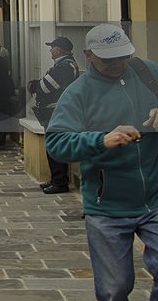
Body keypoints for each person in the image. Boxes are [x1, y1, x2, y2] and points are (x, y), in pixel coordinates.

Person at [46, 23, 158, 301]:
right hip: (107, 206)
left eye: (123, 56)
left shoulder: (149, 73)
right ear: (88, 54)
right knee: (114, 288)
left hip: (155, 199)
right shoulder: (77, 93)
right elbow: (56, 143)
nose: (119, 64)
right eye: (109, 59)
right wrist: (99, 140)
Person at [28, 36, 79, 194]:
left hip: (56, 112)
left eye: (53, 47)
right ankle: (55, 179)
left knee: (55, 147)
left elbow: (44, 87)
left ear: (61, 50)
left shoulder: (65, 66)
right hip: (51, 112)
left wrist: (34, 85)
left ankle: (60, 182)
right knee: (52, 147)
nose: (50, 50)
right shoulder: (62, 65)